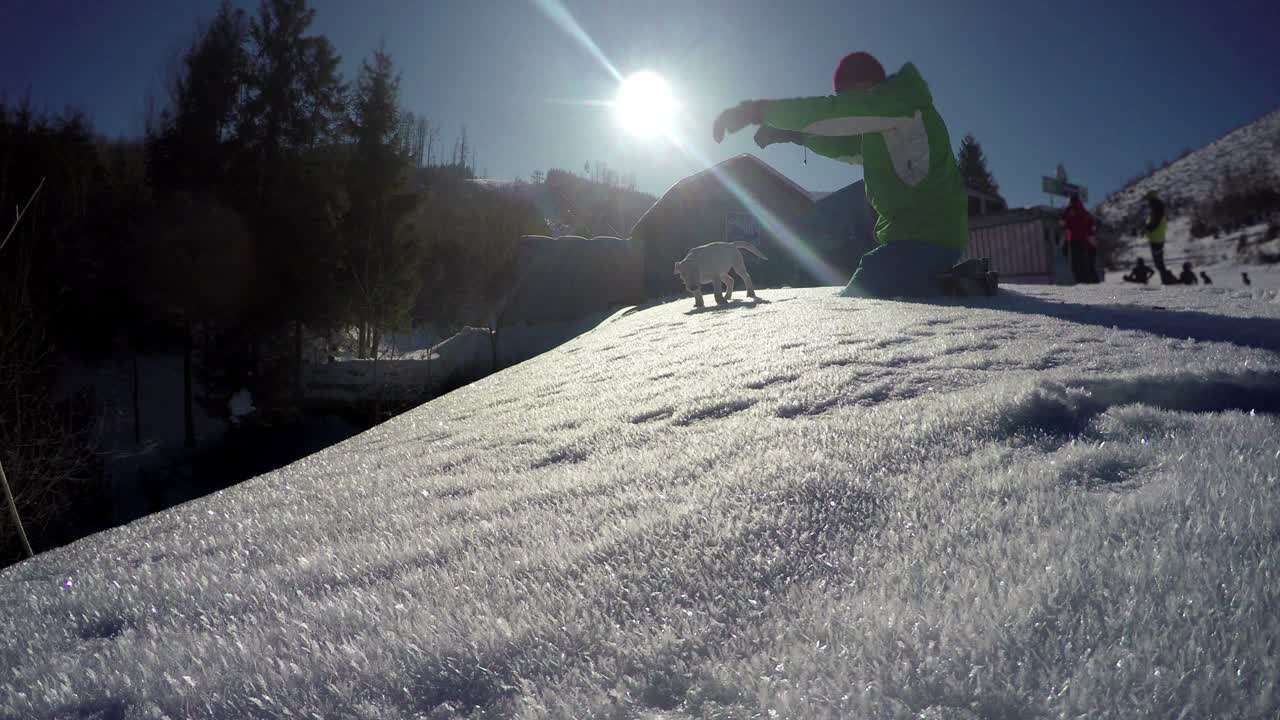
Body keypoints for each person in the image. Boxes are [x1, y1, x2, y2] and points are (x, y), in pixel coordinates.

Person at [713, 52, 973, 298]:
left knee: (866, 290)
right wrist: (794, 135)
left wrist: (757, 111)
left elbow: (835, 114)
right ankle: (955, 285)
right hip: (915, 236)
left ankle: (953, 289)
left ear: (864, 84)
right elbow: (844, 146)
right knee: (890, 287)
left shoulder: (900, 102)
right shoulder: (885, 126)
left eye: (845, 95)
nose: (844, 101)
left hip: (928, 235)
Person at [1060, 193, 1098, 283]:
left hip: (1074, 240)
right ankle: (1088, 281)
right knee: (1085, 262)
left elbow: (1062, 224)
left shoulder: (1069, 210)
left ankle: (1080, 281)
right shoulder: (1085, 212)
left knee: (1075, 263)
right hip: (1085, 241)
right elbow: (1092, 227)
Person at [1143, 191, 1168, 276]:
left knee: (1159, 263)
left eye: (1148, 200)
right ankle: (1166, 279)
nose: (1148, 203)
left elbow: (1154, 224)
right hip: (1156, 238)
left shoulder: (1157, 209)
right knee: (1158, 262)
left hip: (1156, 238)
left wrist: (1147, 228)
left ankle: (1167, 279)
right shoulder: (1157, 208)